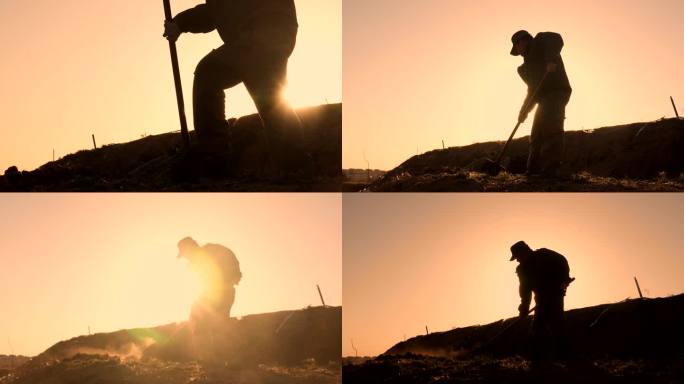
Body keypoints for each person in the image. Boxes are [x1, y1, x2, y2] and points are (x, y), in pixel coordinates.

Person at [163, 0, 303, 164]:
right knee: (270, 96)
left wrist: (180, 23)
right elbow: (214, 11)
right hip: (269, 32)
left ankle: (214, 154)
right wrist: (180, 23)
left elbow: (215, 9)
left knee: (210, 73)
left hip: (259, 33)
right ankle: (294, 160)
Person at [510, 30, 572, 176]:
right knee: (536, 134)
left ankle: (551, 169)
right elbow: (532, 91)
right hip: (543, 99)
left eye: (517, 46)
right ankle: (532, 171)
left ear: (523, 41)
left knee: (551, 125)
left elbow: (556, 38)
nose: (518, 51)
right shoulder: (524, 69)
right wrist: (523, 112)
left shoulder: (541, 41)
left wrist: (551, 60)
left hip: (558, 92)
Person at [509, 240, 573, 362]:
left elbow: (563, 263)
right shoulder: (523, 269)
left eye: (517, 257)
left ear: (524, 252)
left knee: (553, 325)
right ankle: (542, 358)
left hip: (555, 295)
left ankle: (561, 356)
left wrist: (564, 280)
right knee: (541, 327)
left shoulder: (546, 256)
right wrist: (524, 308)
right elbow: (525, 290)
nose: (517, 260)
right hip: (541, 298)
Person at [177, 236, 242, 324]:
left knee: (211, 324)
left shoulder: (214, 251)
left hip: (221, 295)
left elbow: (234, 273)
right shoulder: (194, 263)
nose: (186, 258)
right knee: (198, 320)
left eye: (185, 254)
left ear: (189, 248)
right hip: (210, 297)